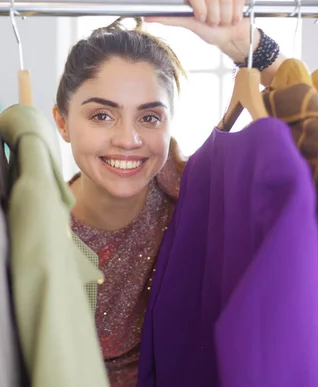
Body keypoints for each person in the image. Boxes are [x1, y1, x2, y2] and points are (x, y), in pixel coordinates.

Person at [52, 1, 287, 385]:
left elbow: (317, 128)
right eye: (101, 115)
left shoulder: (198, 198)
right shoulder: (32, 228)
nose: (128, 139)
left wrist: (242, 43)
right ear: (62, 122)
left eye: (149, 117)